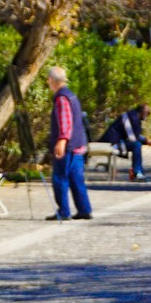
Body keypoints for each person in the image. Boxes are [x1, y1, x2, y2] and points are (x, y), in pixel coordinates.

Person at [45, 66, 93, 221]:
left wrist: (61, 141)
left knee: (60, 178)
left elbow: (65, 122)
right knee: (77, 179)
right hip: (78, 144)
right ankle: (84, 209)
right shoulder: (71, 95)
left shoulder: (61, 98)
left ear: (51, 80)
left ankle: (64, 211)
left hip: (68, 146)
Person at [101, 104, 148, 180]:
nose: (147, 116)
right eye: (147, 113)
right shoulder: (132, 118)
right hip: (112, 142)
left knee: (137, 144)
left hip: (116, 141)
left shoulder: (133, 116)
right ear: (143, 112)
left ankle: (138, 171)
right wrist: (144, 140)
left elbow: (134, 135)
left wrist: (144, 140)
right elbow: (133, 138)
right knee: (136, 145)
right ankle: (137, 172)